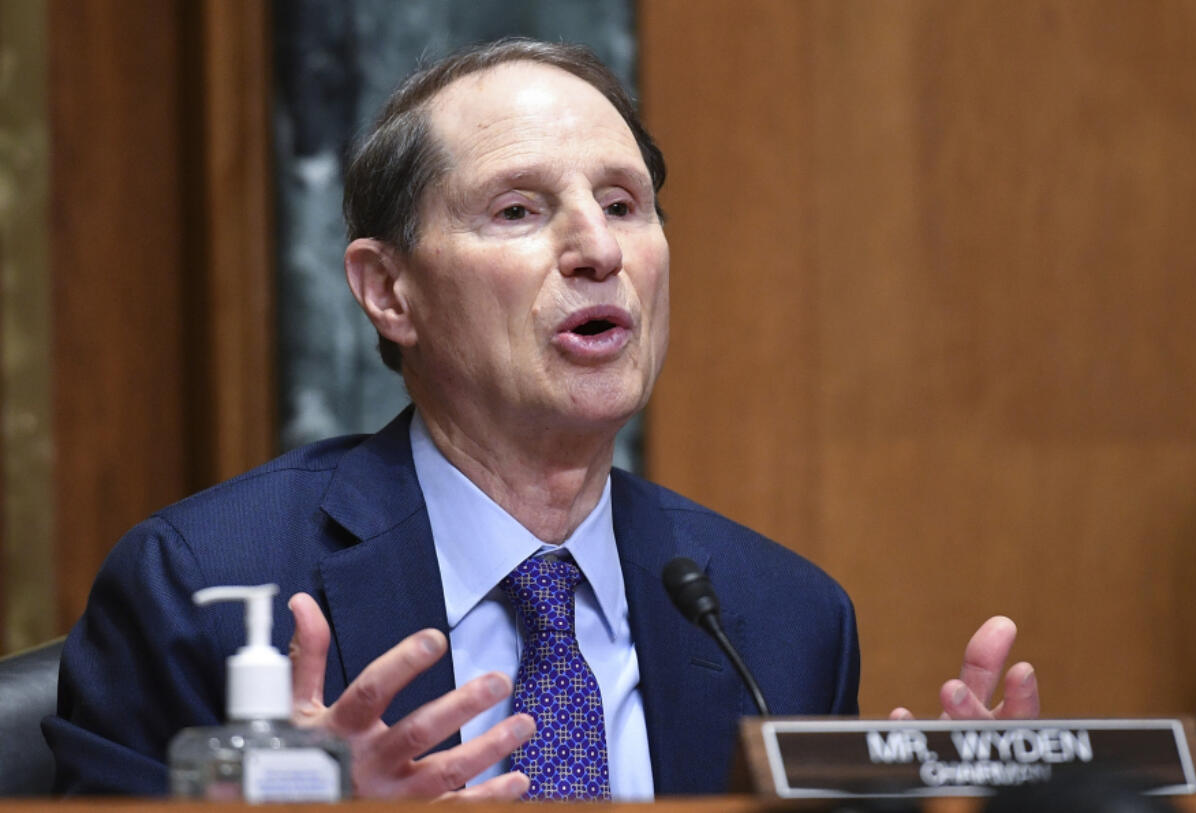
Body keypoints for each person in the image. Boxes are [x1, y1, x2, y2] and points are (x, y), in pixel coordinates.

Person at [43, 38, 1038, 800]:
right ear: (387, 290)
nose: (596, 250)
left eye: (623, 203)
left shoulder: (779, 620)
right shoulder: (206, 586)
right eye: (518, 211)